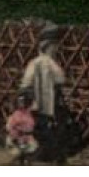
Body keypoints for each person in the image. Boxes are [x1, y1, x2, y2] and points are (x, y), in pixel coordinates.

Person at [19, 24, 77, 164]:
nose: (56, 49)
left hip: (41, 106)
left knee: (44, 135)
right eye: (54, 46)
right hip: (47, 106)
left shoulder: (35, 63)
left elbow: (25, 85)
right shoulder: (48, 63)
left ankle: (37, 158)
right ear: (48, 46)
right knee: (52, 136)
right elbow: (60, 80)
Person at [4, 92, 40, 163]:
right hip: (17, 137)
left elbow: (35, 107)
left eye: (23, 102)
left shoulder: (29, 113)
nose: (21, 104)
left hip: (28, 138)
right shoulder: (15, 115)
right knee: (19, 152)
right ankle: (19, 160)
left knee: (33, 149)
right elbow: (9, 127)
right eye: (20, 102)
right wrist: (15, 136)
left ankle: (26, 160)